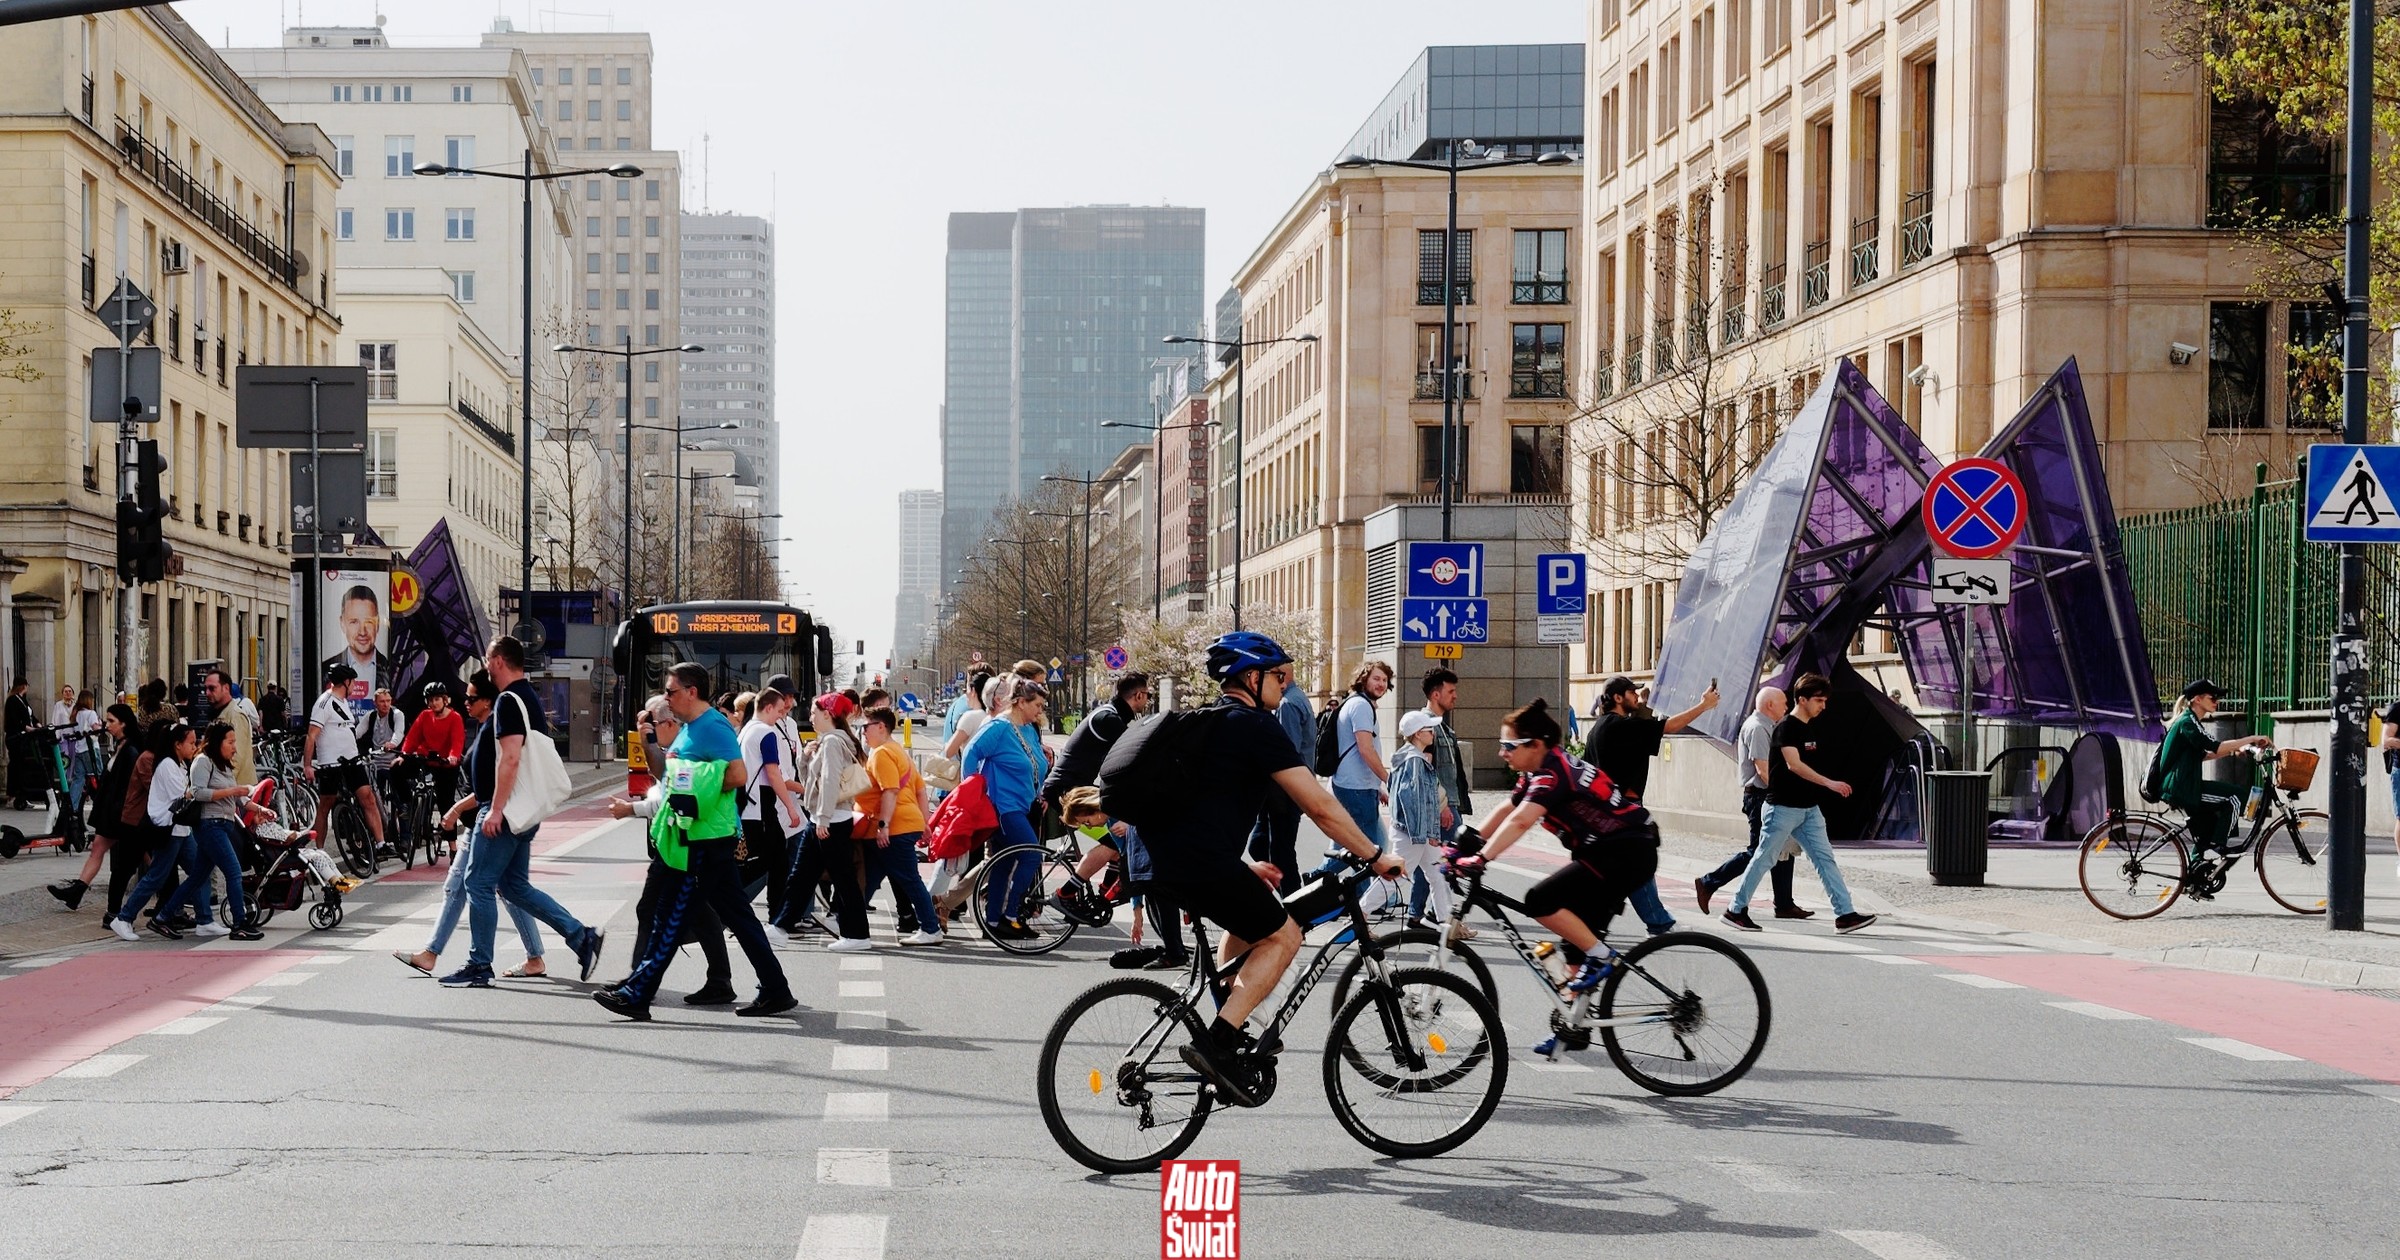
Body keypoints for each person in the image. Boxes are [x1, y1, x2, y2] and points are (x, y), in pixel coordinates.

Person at [1144, 632, 1398, 1106]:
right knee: (1285, 936)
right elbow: (1320, 806)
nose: (1285, 683)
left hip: (1177, 861)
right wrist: (1374, 855)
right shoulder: (1256, 726)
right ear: (1251, 677)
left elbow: (1198, 807)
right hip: (1202, 864)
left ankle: (1227, 1015)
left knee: (1251, 920)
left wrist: (1242, 863)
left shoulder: (1207, 720)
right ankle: (1218, 1043)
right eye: (1279, 675)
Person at [594, 660, 795, 1020]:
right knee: (733, 916)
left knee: (670, 918)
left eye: (671, 691)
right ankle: (775, 989)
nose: (666, 699)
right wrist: (657, 753)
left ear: (692, 691)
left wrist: (696, 788)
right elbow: (672, 776)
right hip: (689, 835)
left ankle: (638, 993)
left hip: (703, 839)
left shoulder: (713, 727)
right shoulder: (688, 730)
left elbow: (736, 774)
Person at [1449, 698, 1661, 1021]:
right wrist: (1470, 843)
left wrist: (1481, 858)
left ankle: (1602, 959)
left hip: (1625, 851)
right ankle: (1574, 1023)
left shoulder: (1553, 774)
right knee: (1575, 943)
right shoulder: (1540, 770)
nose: (1501, 753)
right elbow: (1509, 809)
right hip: (1612, 851)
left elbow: (1521, 822)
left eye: (1508, 745)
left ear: (1536, 745)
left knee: (1540, 900)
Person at [439, 635, 607, 990]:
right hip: (523, 810)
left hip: (508, 810)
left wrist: (496, 810)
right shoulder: (526, 697)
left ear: (499, 661)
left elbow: (511, 758)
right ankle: (581, 937)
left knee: (477, 884)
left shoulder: (508, 703)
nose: (485, 664)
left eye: (487, 658)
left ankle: (479, 962)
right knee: (513, 886)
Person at [393, 672, 549, 981]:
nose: (466, 702)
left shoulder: (496, 729)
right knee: (465, 886)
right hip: (485, 819)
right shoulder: (485, 726)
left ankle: (566, 939)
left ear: (487, 701)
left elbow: (494, 784)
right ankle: (432, 954)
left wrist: (477, 810)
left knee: (502, 890)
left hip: (494, 821)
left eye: (472, 697)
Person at [591, 694, 734, 1004]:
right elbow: (666, 782)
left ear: (670, 721)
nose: (647, 728)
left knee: (671, 911)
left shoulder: (692, 742)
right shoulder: (682, 742)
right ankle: (720, 979)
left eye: (652, 722)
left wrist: (630, 809)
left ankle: (638, 986)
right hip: (681, 839)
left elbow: (674, 796)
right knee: (701, 911)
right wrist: (649, 743)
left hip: (689, 840)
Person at [1719, 673, 1878, 933]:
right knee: (1764, 858)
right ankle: (1735, 910)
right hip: (1782, 808)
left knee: (1825, 859)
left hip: (1808, 809)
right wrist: (1830, 783)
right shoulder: (1785, 727)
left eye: (1825, 701)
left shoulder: (1808, 727)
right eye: (1818, 700)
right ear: (1801, 700)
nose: (1823, 706)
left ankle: (1845, 915)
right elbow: (1794, 765)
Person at [1587, 674, 1719, 935]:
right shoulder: (1618, 726)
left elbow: (1644, 728)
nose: (1637, 696)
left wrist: (1643, 705)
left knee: (1623, 869)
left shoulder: (1602, 727)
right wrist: (1704, 705)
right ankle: (1657, 921)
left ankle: (1595, 923)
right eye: (1632, 693)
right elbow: (1667, 727)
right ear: (1617, 697)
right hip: (1623, 808)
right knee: (1638, 862)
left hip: (1607, 808)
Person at [1695, 687, 1809, 919]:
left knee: (1782, 846)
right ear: (1769, 705)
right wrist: (1785, 793)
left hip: (1766, 794)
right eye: (1783, 703)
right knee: (1759, 850)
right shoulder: (1758, 728)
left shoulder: (1769, 726)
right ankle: (1709, 882)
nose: (1787, 707)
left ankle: (1785, 903)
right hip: (1760, 795)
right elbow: (1763, 768)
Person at [774, 693, 872, 949]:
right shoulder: (829, 741)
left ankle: (858, 936)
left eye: (815, 712)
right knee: (803, 875)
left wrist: (824, 819)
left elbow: (829, 782)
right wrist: (804, 758)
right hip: (824, 818)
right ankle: (780, 926)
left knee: (840, 878)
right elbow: (811, 785)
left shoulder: (832, 743)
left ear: (828, 714)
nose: (811, 717)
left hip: (830, 819)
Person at [961, 678, 1053, 941]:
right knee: (1031, 855)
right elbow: (971, 753)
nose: (1040, 711)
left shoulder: (1026, 729)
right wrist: (975, 793)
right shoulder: (999, 727)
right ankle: (1010, 916)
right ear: (1020, 702)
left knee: (1005, 863)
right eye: (1037, 705)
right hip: (1002, 807)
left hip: (1022, 805)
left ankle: (993, 922)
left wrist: (1039, 793)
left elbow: (1033, 765)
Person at [1043, 672, 1149, 894]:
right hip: (1067, 792)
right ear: (1138, 695)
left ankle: (1105, 891)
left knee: (1119, 832)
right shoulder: (1108, 720)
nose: (1147, 700)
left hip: (1075, 788)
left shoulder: (1109, 714)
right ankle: (1067, 893)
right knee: (1115, 840)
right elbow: (1134, 757)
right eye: (1147, 695)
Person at [107, 720, 206, 941]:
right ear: (177, 744)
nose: (194, 746)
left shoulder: (179, 764)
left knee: (198, 870)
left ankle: (205, 919)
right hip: (167, 828)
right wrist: (205, 790)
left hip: (180, 829)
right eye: (191, 742)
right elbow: (183, 796)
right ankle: (124, 917)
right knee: (156, 877)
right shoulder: (167, 766)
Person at [2159, 678, 2272, 866]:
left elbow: (2205, 754)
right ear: (2197, 699)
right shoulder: (2188, 722)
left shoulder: (2191, 721)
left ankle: (2197, 865)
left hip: (2185, 785)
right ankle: (2217, 846)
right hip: (2183, 787)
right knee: (2236, 797)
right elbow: (2216, 746)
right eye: (2213, 697)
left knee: (2212, 817)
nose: (2217, 701)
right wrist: (2251, 739)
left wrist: (2232, 751)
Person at [858, 705, 944, 947]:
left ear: (881, 727)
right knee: (872, 877)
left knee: (909, 880)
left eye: (866, 727)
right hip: (906, 823)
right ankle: (847, 920)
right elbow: (919, 790)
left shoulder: (882, 753)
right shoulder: (899, 751)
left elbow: (890, 790)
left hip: (895, 827)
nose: (863, 732)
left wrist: (883, 825)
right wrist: (924, 822)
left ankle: (930, 928)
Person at [171, 722, 264, 940]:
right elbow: (197, 793)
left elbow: (238, 797)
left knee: (197, 878)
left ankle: (163, 915)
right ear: (217, 742)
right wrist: (232, 790)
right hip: (209, 825)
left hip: (223, 824)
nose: (234, 748)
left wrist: (260, 808)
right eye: (230, 742)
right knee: (233, 872)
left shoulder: (223, 764)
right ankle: (239, 923)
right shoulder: (202, 762)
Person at [46, 703, 142, 915]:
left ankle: (171, 898)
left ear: (124, 723)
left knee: (148, 860)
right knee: (98, 848)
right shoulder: (121, 746)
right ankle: (76, 892)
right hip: (112, 813)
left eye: (111, 721)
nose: (107, 725)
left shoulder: (131, 750)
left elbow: (127, 786)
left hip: (122, 815)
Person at [1405, 667, 1473, 920]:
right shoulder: (1426, 726)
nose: (1455, 696)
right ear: (1436, 694)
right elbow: (1426, 769)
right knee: (1443, 861)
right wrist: (1442, 805)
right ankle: (1435, 915)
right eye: (1450, 691)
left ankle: (1422, 914)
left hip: (1448, 802)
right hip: (1442, 805)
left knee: (1434, 861)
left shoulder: (1440, 726)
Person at [304, 664, 388, 861]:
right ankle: (320, 851)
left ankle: (381, 843)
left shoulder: (343, 702)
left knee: (367, 797)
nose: (355, 686)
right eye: (354, 682)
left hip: (351, 760)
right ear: (346, 682)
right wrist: (307, 765)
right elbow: (311, 736)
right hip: (331, 763)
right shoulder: (324, 703)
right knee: (326, 804)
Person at [1247, 663, 1316, 896]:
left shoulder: (1287, 704)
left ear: (1280, 676)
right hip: (1283, 790)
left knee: (1281, 851)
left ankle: (1294, 904)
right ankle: (1285, 897)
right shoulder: (1295, 698)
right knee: (1263, 845)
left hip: (1285, 790)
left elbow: (1286, 752)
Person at [738, 687, 804, 932]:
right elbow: (773, 773)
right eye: (778, 711)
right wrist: (791, 807)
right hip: (762, 807)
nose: (780, 716)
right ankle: (775, 918)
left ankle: (770, 915)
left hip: (748, 804)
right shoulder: (767, 733)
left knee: (768, 860)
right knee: (775, 862)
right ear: (767, 708)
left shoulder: (745, 731)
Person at [1321, 661, 1394, 870]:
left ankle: (1319, 883)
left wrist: (1377, 787)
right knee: (1369, 850)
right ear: (1363, 679)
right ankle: (1320, 881)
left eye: (1384, 680)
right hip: (1356, 789)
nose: (1381, 684)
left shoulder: (1356, 703)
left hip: (1357, 786)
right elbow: (1365, 749)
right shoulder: (1361, 706)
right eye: (1376, 678)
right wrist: (1387, 778)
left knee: (1355, 844)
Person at [1388, 710, 1452, 929]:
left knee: (1438, 874)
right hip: (1414, 834)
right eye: (1429, 729)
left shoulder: (1404, 756)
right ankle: (1362, 913)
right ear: (1417, 734)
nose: (1433, 733)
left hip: (1413, 831)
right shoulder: (1415, 761)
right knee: (1394, 878)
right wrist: (1427, 834)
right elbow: (1414, 801)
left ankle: (1445, 922)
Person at [321, 582, 395, 702]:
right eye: (354, 622)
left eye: (369, 622)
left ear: (378, 624)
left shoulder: (391, 667)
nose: (362, 631)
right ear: (342, 623)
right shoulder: (325, 670)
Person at [399, 682, 466, 808]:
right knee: (397, 768)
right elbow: (412, 737)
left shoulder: (455, 718)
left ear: (444, 700)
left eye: (437, 699)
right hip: (426, 760)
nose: (433, 703)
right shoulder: (425, 715)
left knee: (445, 804)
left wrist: (453, 756)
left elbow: (457, 741)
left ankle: (447, 825)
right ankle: (406, 804)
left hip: (445, 763)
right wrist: (404, 755)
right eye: (430, 700)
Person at [201, 669, 261, 786]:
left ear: (226, 688)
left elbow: (235, 758)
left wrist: (219, 787)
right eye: (206, 689)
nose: (207, 693)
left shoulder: (235, 715)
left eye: (212, 688)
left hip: (237, 790)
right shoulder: (218, 713)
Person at [362, 687, 407, 802]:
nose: (386, 704)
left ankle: (403, 810)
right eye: (382, 701)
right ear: (375, 703)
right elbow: (357, 733)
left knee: (399, 794)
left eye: (388, 701)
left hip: (392, 761)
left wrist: (393, 743)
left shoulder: (397, 714)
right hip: (376, 762)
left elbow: (399, 732)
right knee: (374, 794)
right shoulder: (370, 716)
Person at [6, 677, 43, 810]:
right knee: (16, 766)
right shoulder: (12, 701)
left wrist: (38, 724)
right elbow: (14, 720)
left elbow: (30, 716)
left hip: (25, 737)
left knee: (23, 767)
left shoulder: (23, 700)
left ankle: (23, 794)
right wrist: (26, 727)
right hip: (16, 737)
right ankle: (13, 795)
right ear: (23, 686)